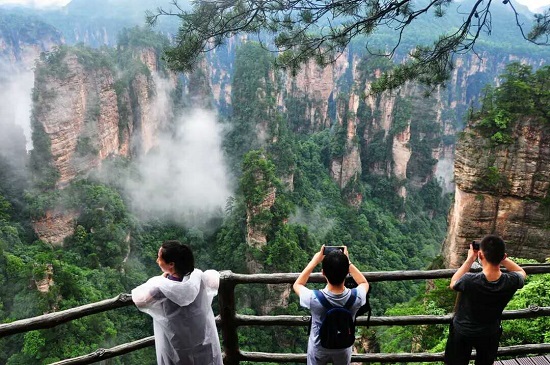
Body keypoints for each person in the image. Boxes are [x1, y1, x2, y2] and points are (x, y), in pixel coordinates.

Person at [132, 240, 223, 365]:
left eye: (159, 258)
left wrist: (161, 278)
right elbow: (214, 281)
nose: (157, 261)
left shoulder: (161, 288)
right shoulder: (198, 277)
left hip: (177, 344)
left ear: (171, 264)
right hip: (202, 338)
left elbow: (140, 301)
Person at [444, 235, 527, 365]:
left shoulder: (470, 280)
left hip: (463, 331)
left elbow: (453, 282)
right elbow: (521, 272)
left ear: (481, 255)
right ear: (503, 256)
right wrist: (502, 259)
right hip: (490, 333)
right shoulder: (511, 281)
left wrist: (470, 259)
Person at [293, 245, 369, 365]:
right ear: (347, 273)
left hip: (319, 347)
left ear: (323, 273)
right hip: (343, 347)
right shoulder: (357, 297)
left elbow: (297, 285)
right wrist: (348, 263)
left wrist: (315, 261)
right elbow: (364, 282)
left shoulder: (314, 298)